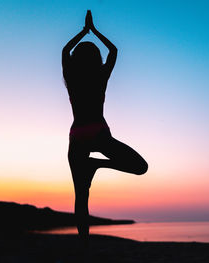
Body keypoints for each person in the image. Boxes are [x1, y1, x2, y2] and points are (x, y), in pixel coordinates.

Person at [62, 10, 148, 247]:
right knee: (140, 167)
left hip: (77, 136)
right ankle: (98, 164)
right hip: (99, 134)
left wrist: (82, 31)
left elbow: (64, 52)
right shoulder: (100, 76)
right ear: (96, 58)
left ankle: (84, 247)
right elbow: (114, 51)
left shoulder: (71, 76)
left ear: (76, 58)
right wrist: (95, 30)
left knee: (81, 197)